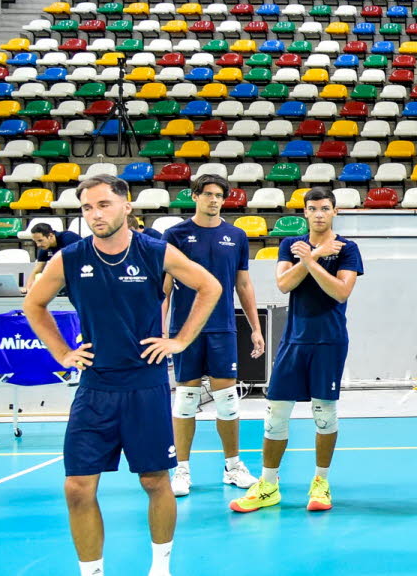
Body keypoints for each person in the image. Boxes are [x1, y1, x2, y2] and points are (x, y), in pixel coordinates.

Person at [23, 175, 221, 576]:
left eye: (103, 205)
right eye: (87, 208)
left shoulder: (154, 252)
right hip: (95, 387)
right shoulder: (70, 258)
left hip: (144, 385)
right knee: (77, 488)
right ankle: (91, 571)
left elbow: (210, 287)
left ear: (126, 206)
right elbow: (34, 305)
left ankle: (160, 567)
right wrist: (62, 351)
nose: (95, 214)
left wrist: (180, 341)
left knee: (154, 481)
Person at [230, 187, 361, 513]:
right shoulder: (291, 244)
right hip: (293, 340)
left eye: (325, 208)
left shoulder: (348, 248)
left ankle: (320, 483)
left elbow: (340, 292)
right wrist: (314, 255)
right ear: (304, 212)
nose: (319, 213)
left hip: (329, 340)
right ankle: (269, 486)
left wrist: (310, 261)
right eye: (313, 208)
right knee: (275, 414)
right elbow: (284, 284)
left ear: (335, 211)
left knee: (324, 413)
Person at [162, 173, 265, 497]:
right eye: (207, 194)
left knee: (227, 402)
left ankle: (233, 466)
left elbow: (244, 284)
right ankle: (182, 469)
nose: (214, 200)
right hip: (185, 329)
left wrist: (256, 328)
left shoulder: (235, 236)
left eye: (219, 195)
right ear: (195, 196)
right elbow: (164, 286)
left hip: (222, 327)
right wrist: (160, 331)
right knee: (186, 401)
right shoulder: (175, 234)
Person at [23, 222, 81, 293]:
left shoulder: (68, 238)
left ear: (50, 236)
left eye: (40, 240)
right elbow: (38, 269)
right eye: (35, 242)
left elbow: (74, 263)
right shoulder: (44, 247)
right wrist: (28, 287)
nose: (38, 245)